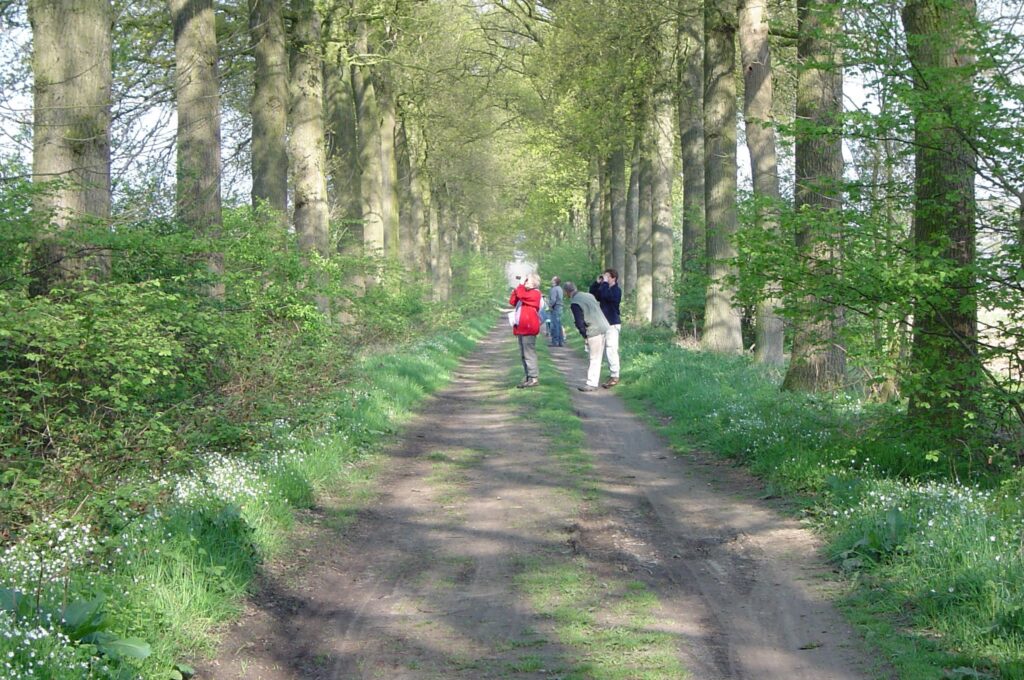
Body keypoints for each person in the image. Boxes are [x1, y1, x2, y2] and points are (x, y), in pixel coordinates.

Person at [564, 281, 609, 392]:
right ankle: (593, 381)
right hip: (604, 326)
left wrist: (585, 335)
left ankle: (591, 383)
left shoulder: (575, 303)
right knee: (597, 357)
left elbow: (579, 322)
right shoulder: (589, 295)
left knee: (594, 358)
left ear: (567, 292)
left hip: (594, 330)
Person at [589, 268, 622, 388]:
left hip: (612, 323)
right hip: (602, 323)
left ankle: (615, 375)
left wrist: (605, 284)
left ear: (613, 278)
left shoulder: (616, 290)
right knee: (599, 350)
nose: (605, 278)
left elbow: (607, 296)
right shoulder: (603, 288)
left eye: (607, 276)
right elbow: (593, 294)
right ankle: (597, 378)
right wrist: (597, 283)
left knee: (611, 349)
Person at [509, 272, 543, 388]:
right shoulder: (524, 292)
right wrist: (516, 288)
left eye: (527, 280)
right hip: (521, 327)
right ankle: (528, 376)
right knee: (523, 354)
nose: (525, 282)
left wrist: (520, 285)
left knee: (529, 353)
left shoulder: (535, 294)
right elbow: (513, 301)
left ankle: (533, 377)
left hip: (529, 328)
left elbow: (522, 295)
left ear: (534, 282)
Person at [548, 276, 565, 347]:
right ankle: (561, 341)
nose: (551, 280)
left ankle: (555, 342)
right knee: (559, 325)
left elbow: (553, 300)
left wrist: (549, 306)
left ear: (555, 281)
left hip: (555, 307)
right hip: (560, 307)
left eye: (552, 279)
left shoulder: (554, 289)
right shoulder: (560, 288)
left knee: (554, 325)